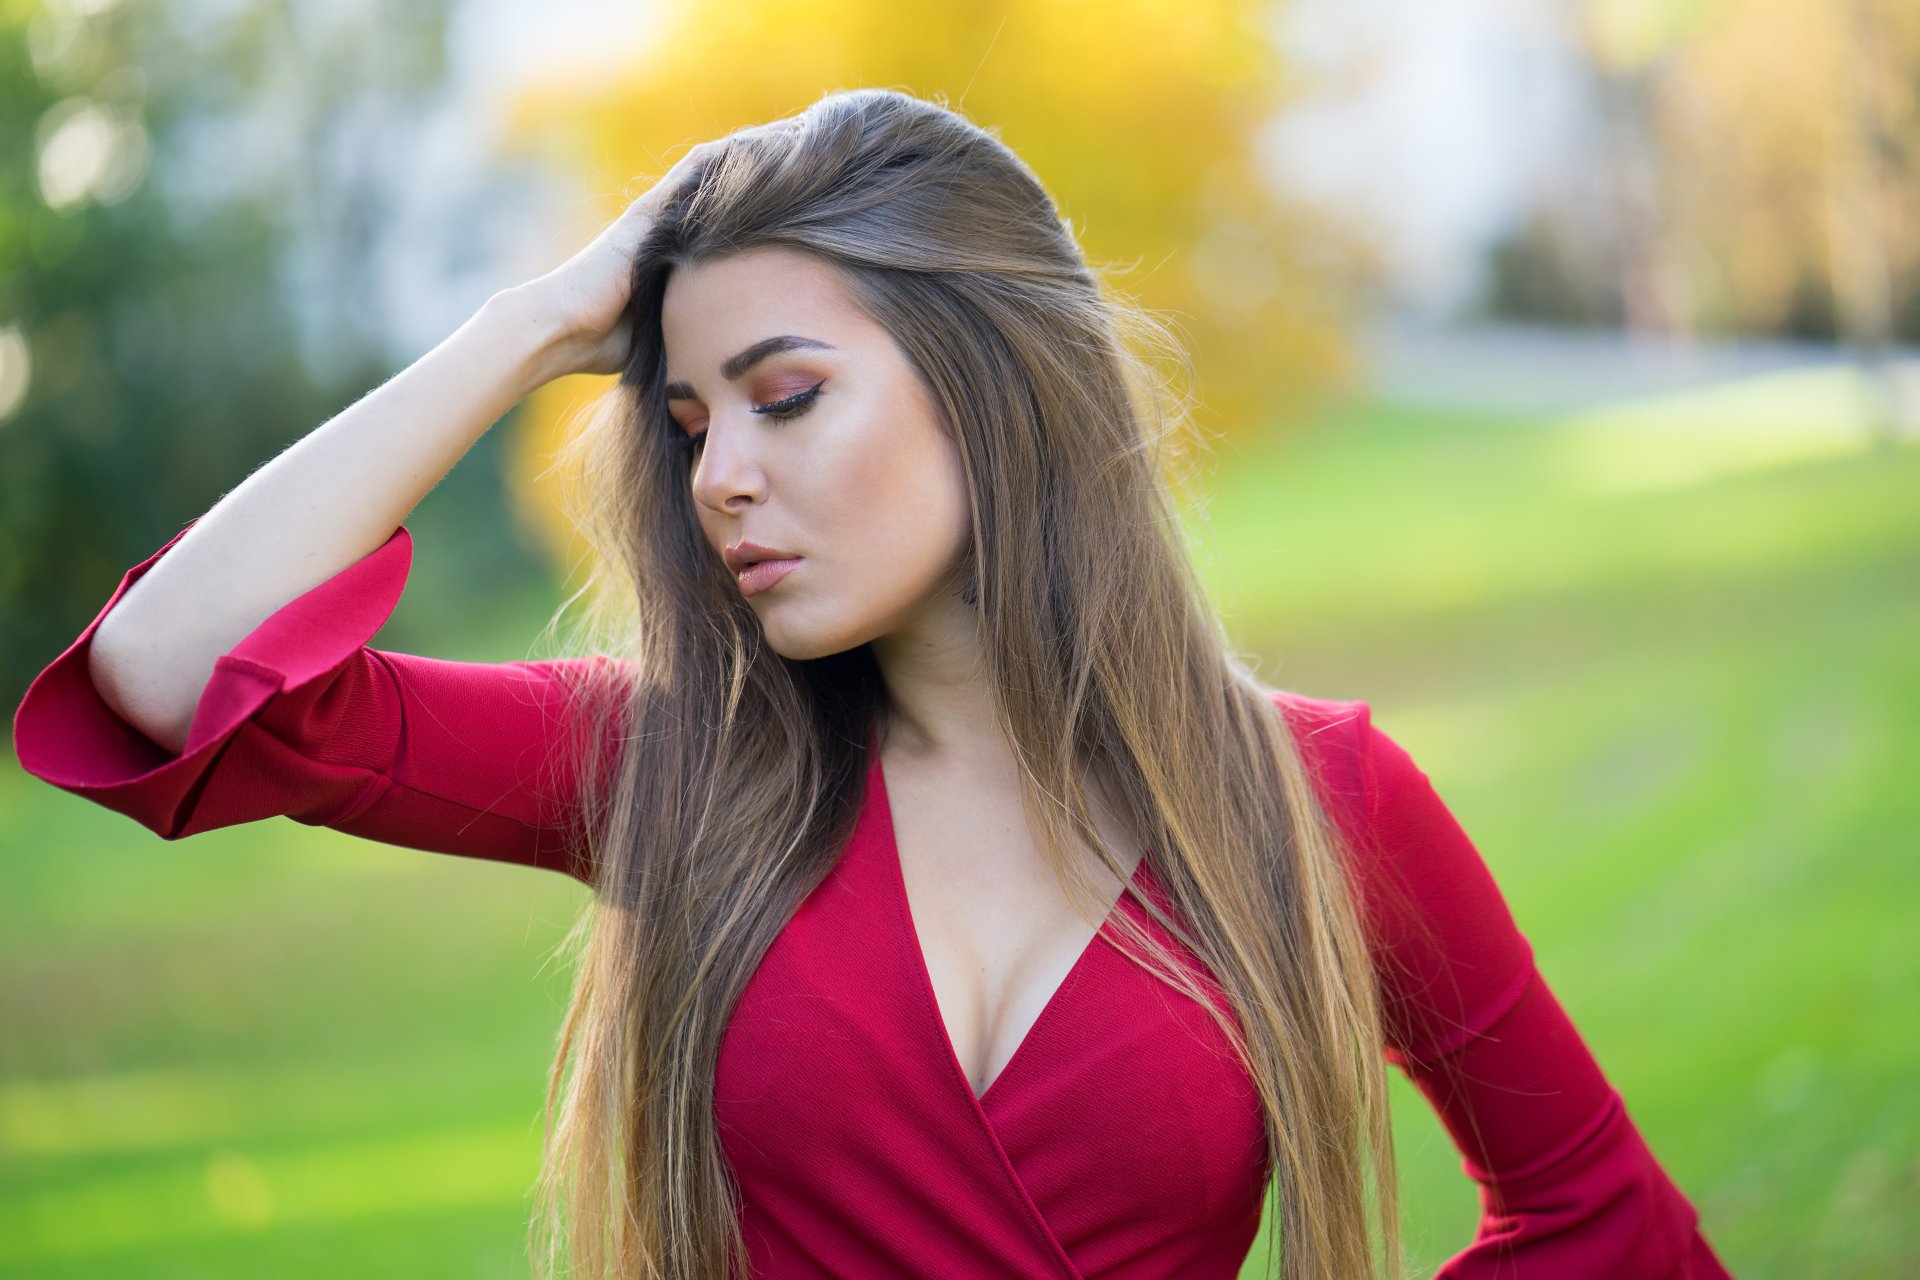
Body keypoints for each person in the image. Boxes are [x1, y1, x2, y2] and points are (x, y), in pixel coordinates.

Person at [11, 88, 1734, 1280]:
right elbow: (163, 673)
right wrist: (536, 326)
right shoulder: (670, 770)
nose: (714, 480)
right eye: (685, 425)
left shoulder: (1317, 803)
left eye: (785, 395)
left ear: (988, 384)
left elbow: (1602, 1219)